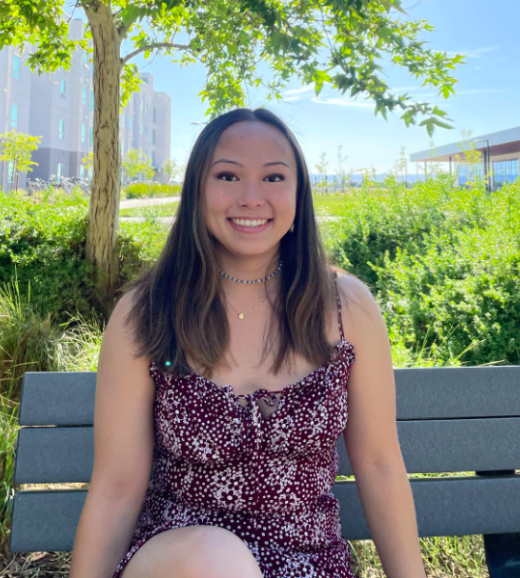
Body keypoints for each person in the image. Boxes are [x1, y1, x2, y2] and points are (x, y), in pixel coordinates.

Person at [69, 108, 426, 578]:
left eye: (274, 177)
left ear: (299, 193)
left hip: (311, 561)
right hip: (182, 562)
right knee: (215, 560)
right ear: (198, 189)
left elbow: (379, 464)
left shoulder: (348, 308)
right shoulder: (147, 312)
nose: (251, 197)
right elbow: (116, 487)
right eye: (228, 175)